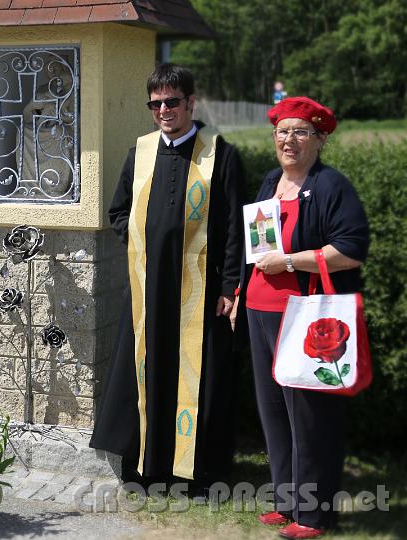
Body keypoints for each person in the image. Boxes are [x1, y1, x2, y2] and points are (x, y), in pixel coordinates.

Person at [89, 64, 244, 489]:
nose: (163, 110)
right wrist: (140, 241)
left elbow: (234, 227)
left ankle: (195, 472)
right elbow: (118, 211)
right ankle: (145, 466)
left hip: (200, 288)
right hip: (149, 290)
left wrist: (231, 285)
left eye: (172, 101)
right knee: (146, 372)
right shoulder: (140, 152)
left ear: (191, 103)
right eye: (155, 103)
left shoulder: (220, 153)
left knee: (196, 376)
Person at [231, 97, 369, 539]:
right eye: (283, 132)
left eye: (301, 132)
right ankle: (287, 501)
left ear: (320, 139)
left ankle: (314, 513)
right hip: (259, 311)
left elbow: (349, 250)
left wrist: (290, 262)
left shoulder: (331, 187)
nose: (289, 140)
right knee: (274, 412)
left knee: (310, 416)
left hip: (303, 318)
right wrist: (237, 292)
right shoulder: (272, 181)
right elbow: (255, 248)